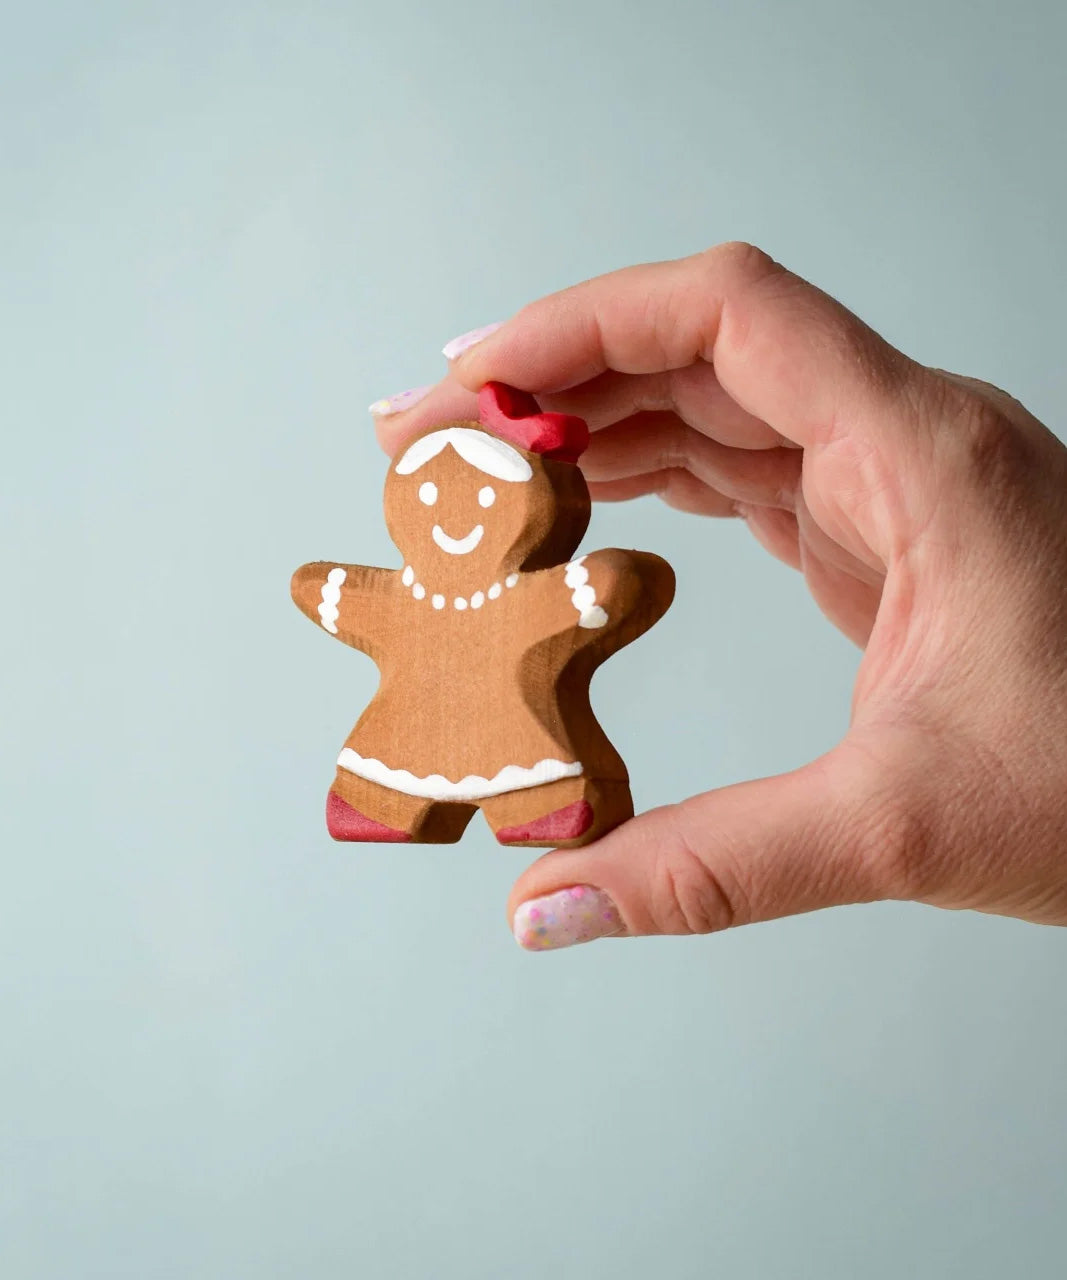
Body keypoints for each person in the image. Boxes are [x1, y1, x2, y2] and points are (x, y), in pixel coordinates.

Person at [370, 244, 1067, 950]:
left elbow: (581, 600)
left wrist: (592, 590)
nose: (450, 513)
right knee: (392, 765)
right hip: (405, 734)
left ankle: (526, 801)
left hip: (526, 742)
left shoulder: (526, 591)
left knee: (535, 769)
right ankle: (379, 799)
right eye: (427, 494)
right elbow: (365, 604)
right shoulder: (416, 590)